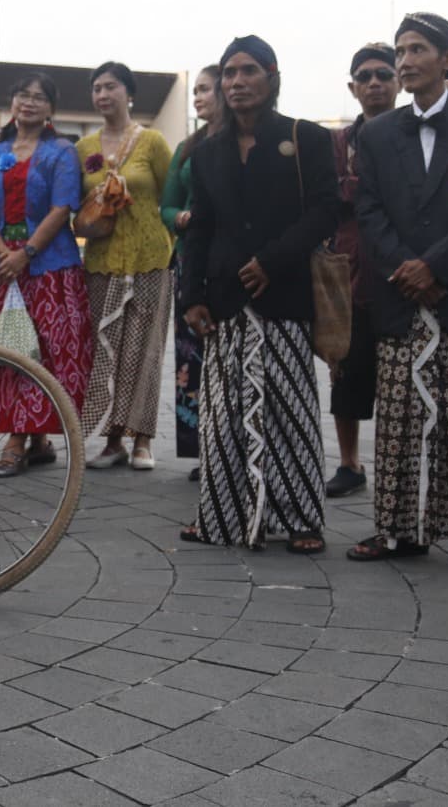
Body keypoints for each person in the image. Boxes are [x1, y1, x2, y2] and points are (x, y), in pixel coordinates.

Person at [350, 13, 448, 576]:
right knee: (398, 419)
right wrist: (407, 269)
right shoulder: (375, 134)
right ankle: (400, 529)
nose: (406, 61)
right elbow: (368, 210)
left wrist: (438, 267)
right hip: (400, 296)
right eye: (401, 50)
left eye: (418, 49)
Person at [178, 36, 338, 553]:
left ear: (272, 77)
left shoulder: (305, 137)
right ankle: (223, 516)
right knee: (223, 414)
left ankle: (301, 519)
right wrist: (191, 296)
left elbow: (326, 210)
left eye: (249, 71)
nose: (237, 81)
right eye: (229, 73)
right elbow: (200, 228)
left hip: (284, 296)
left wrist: (273, 259)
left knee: (290, 411)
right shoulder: (207, 152)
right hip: (225, 301)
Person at [0, 72, 93, 477]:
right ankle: (27, 440)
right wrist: (6, 254)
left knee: (48, 352)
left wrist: (27, 253)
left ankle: (26, 440)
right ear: (13, 103)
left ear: (51, 108)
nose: (30, 102)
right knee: (11, 349)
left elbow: (62, 208)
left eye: (39, 97)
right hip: (3, 270)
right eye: (23, 95)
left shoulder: (62, 152)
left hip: (50, 268)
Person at [77, 62, 174, 470]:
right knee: (106, 350)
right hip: (102, 261)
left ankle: (143, 440)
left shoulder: (152, 141)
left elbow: (171, 198)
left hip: (151, 259)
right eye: (97, 88)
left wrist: (174, 245)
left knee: (145, 350)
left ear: (129, 93)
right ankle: (113, 439)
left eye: (110, 86)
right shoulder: (84, 147)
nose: (102, 95)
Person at [325, 45, 400, 498]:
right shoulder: (337, 142)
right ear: (352, 87)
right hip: (349, 272)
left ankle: (394, 464)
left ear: (398, 81)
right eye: (365, 76)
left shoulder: (412, 132)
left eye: (383, 75)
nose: (374, 83)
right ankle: (350, 463)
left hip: (401, 273)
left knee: (398, 378)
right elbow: (329, 192)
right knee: (346, 371)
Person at [162, 66, 221, 480]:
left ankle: (233, 444)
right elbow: (166, 206)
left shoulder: (242, 142)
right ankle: (203, 450)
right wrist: (180, 217)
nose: (198, 97)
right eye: (195, 90)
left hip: (229, 263)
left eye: (205, 89)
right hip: (188, 260)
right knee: (191, 358)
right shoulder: (187, 147)